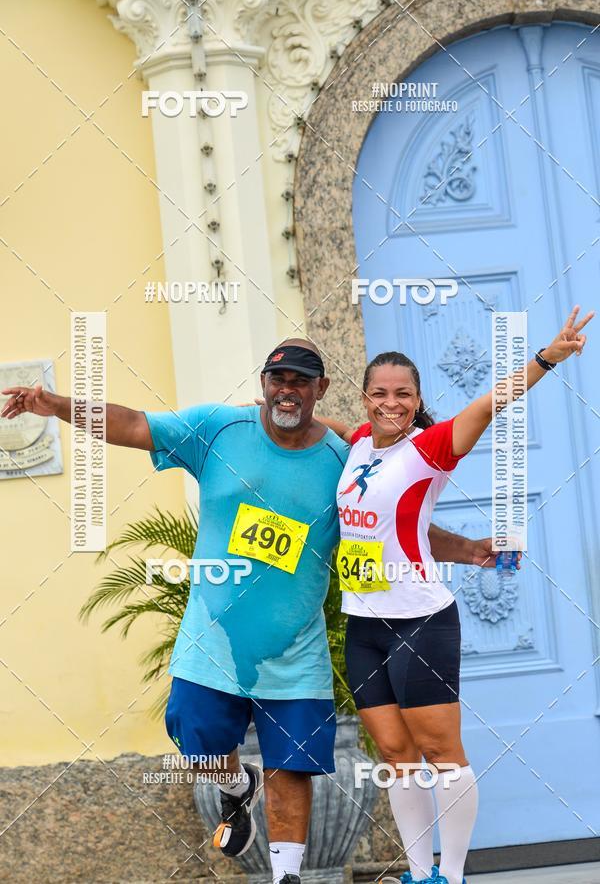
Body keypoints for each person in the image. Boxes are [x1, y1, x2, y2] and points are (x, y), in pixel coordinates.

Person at [1, 339, 496, 884]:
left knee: (293, 765)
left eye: (301, 381)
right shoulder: (218, 428)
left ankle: (288, 877)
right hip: (213, 644)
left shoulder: (342, 458)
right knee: (198, 741)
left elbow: (388, 523)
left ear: (321, 389)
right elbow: (133, 424)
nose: (287, 390)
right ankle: (237, 786)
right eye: (278, 379)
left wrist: (466, 549)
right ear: (263, 383)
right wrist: (56, 405)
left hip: (296, 651)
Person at [320, 307, 593, 884]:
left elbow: (491, 404)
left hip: (420, 621)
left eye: (402, 394)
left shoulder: (432, 446)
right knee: (396, 755)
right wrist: (273, 410)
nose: (390, 403)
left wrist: (547, 357)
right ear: (366, 399)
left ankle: (455, 874)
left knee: (440, 752)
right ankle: (420, 873)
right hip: (363, 625)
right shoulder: (359, 442)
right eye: (379, 393)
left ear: (417, 400)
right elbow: (340, 438)